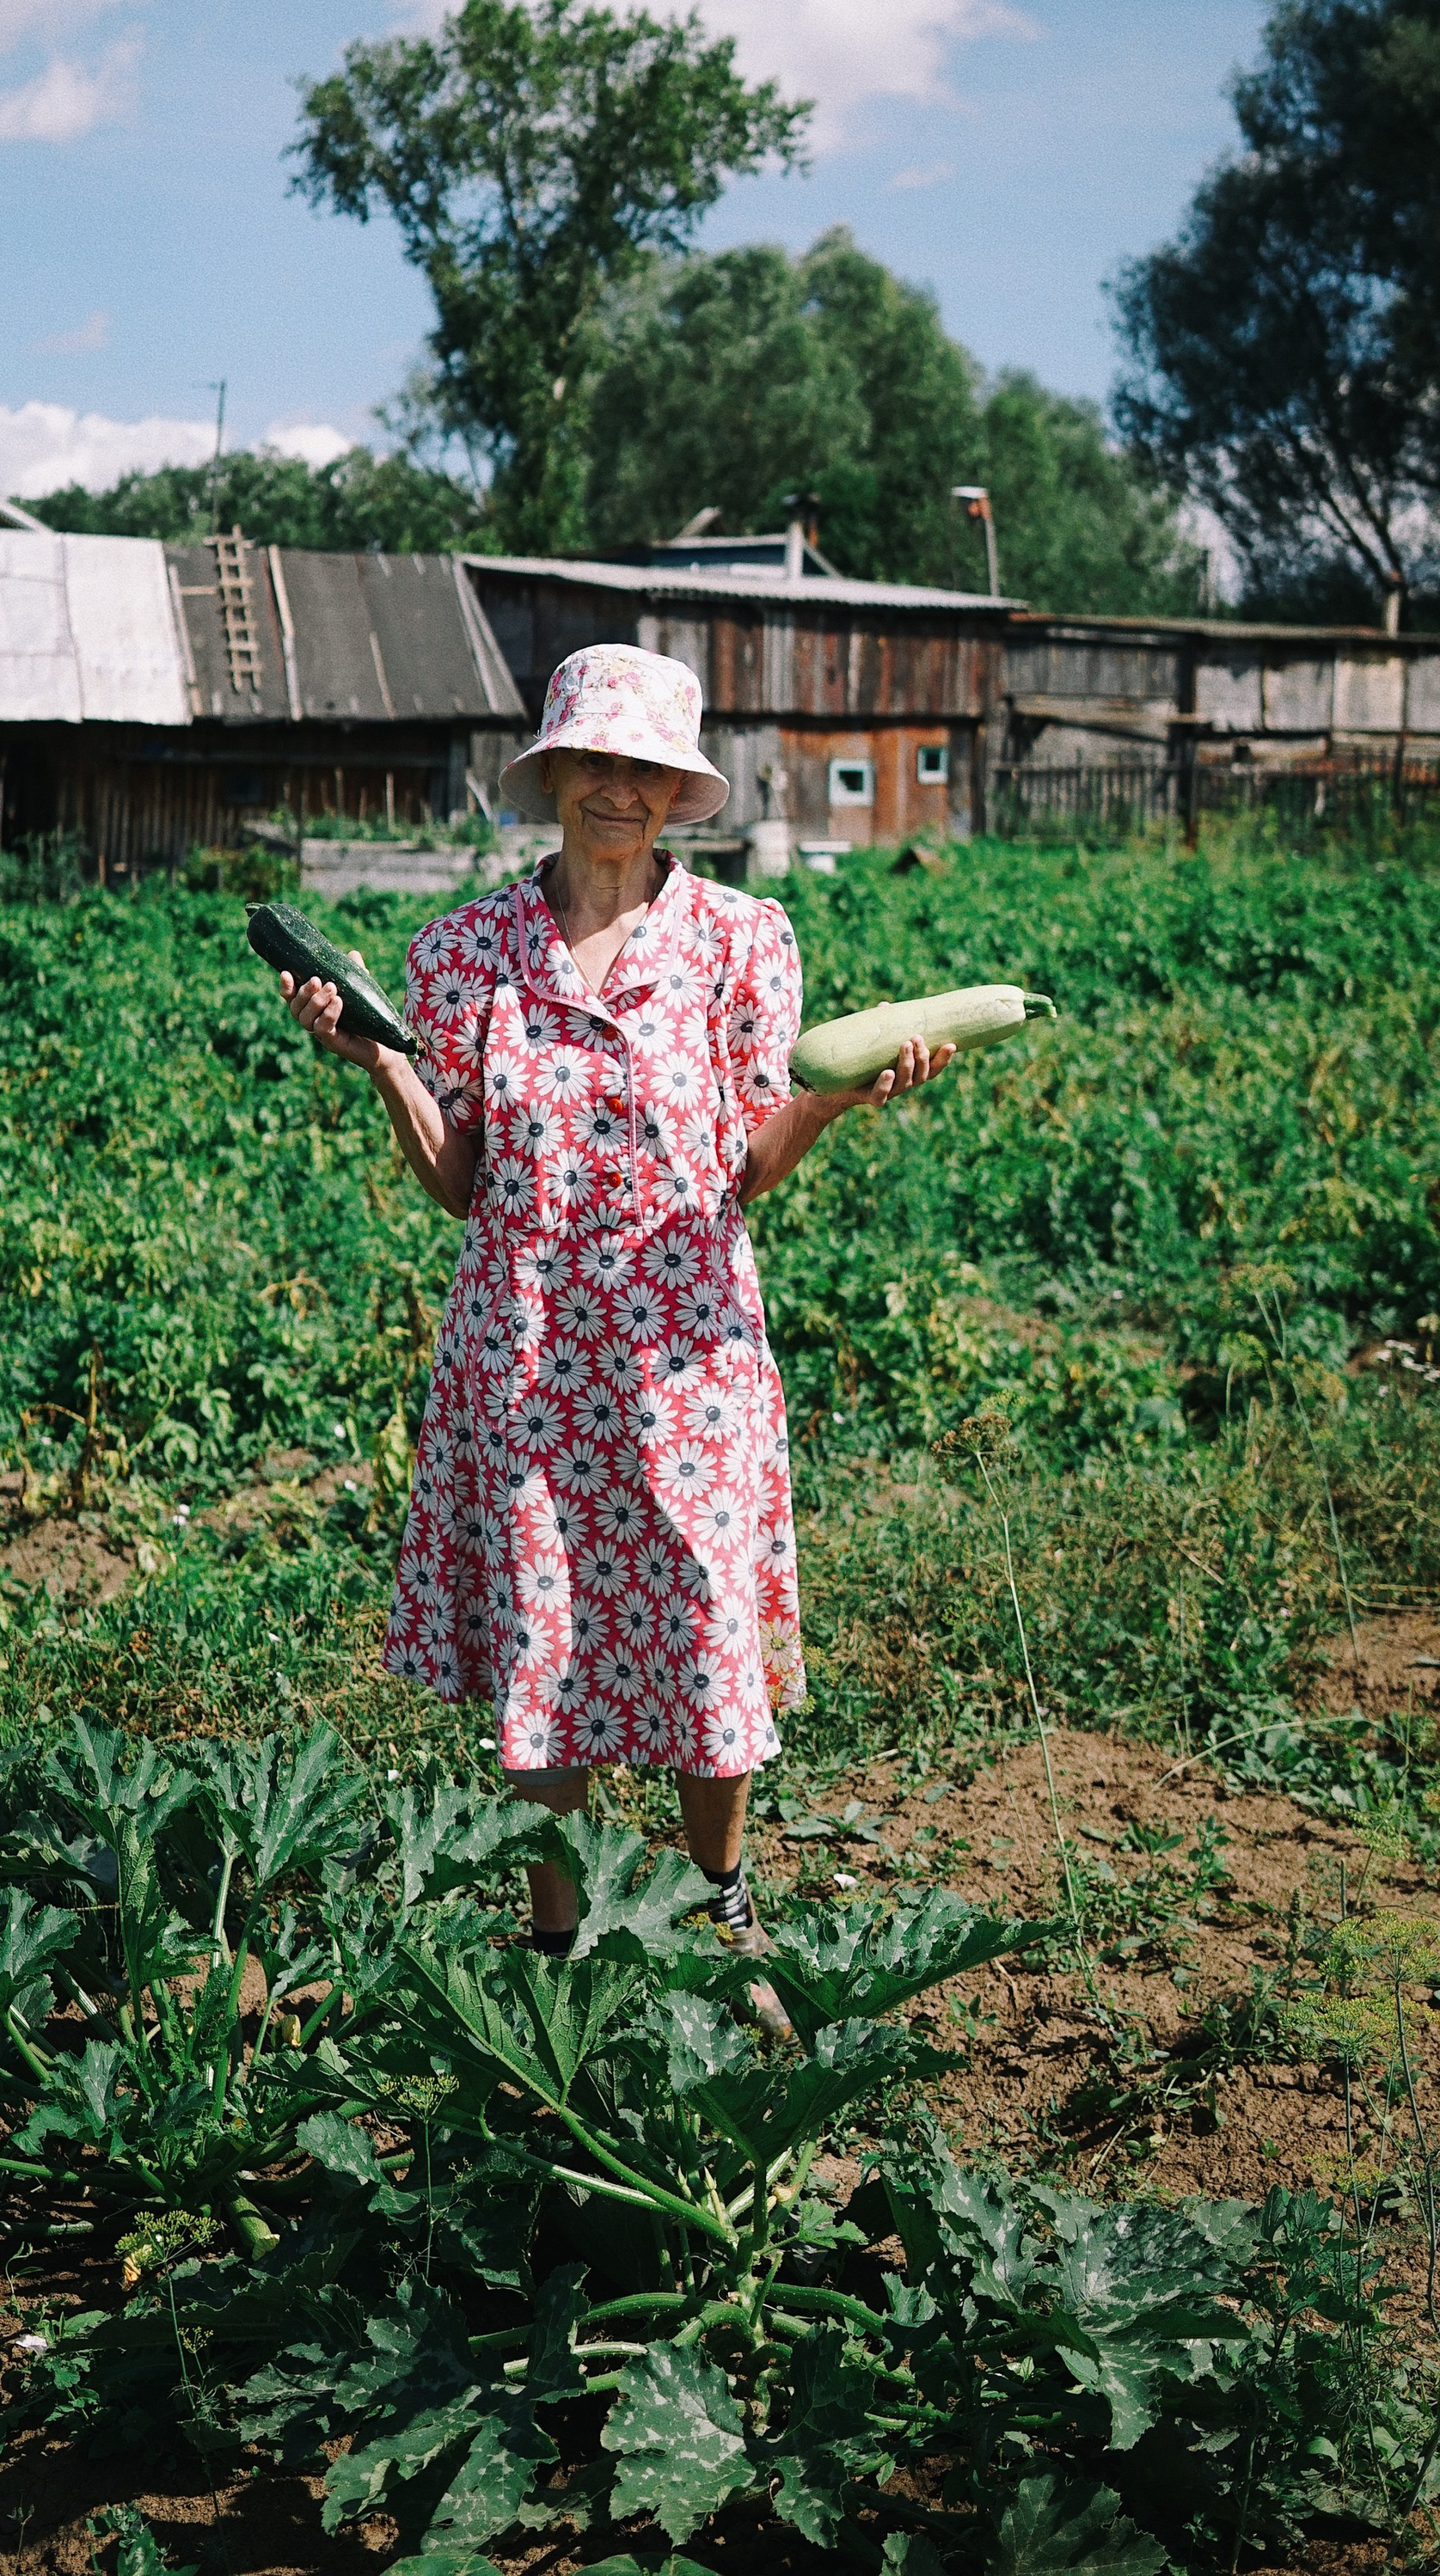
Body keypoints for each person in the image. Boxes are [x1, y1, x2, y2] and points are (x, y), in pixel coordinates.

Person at [279, 641, 954, 1955]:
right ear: (554, 774)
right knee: (547, 1630)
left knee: (703, 1612)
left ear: (672, 789)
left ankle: (720, 1896)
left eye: (644, 768)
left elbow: (749, 1161)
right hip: (524, 1349)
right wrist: (378, 1062)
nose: (617, 790)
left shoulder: (744, 943)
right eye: (595, 760)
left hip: (685, 1354)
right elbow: (462, 1182)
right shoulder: (466, 950)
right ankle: (556, 1935)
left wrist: (832, 1095)